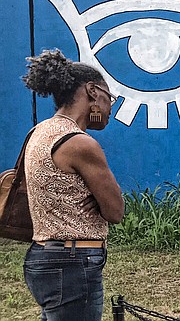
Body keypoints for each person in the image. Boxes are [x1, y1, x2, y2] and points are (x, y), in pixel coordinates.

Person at [21, 49, 124, 321]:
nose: (110, 107)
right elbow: (115, 211)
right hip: (73, 263)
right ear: (92, 91)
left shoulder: (40, 131)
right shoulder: (79, 143)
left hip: (43, 258)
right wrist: (99, 198)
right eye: (108, 97)